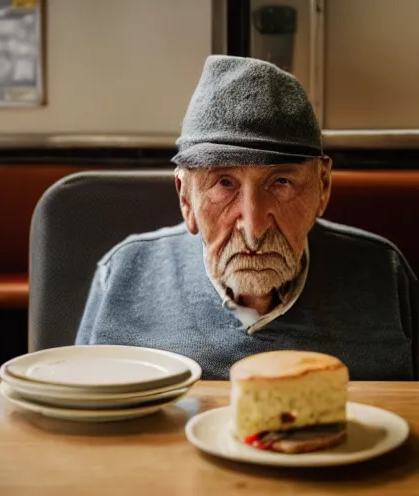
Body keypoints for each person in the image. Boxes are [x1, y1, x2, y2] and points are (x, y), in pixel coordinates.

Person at [76, 55, 418, 380]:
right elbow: (82, 420)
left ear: (322, 186)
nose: (253, 228)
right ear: (185, 197)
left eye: (281, 182)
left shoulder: (383, 274)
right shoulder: (123, 274)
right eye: (224, 183)